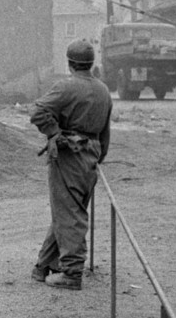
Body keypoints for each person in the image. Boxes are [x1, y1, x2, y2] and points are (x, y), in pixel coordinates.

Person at [29, 38, 112, 290]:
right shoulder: (103, 89)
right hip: (92, 156)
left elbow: (37, 111)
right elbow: (105, 131)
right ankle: (44, 266)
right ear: (90, 63)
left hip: (70, 157)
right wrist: (98, 157)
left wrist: (54, 132)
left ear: (70, 63)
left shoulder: (66, 87)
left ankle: (72, 273)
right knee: (67, 211)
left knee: (69, 214)